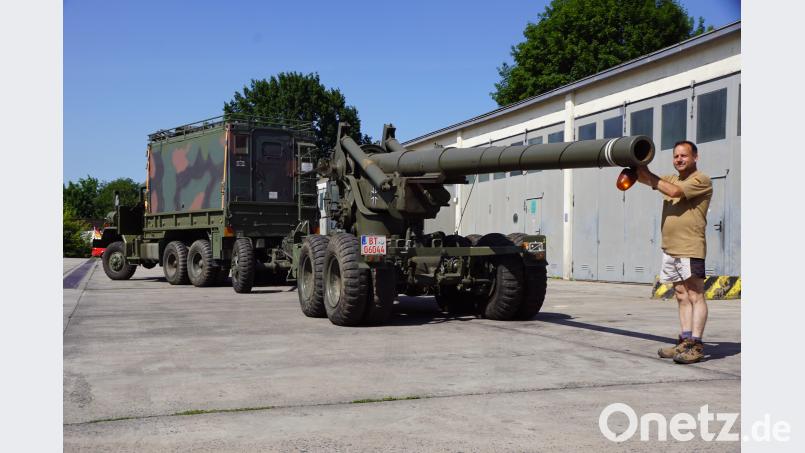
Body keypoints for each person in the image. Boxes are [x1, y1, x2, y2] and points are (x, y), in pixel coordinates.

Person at [637, 140, 713, 364]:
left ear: (695, 157)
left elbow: (674, 191)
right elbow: (647, 178)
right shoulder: (670, 178)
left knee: (694, 294)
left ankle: (697, 345)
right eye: (676, 156)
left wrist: (649, 177)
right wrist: (635, 164)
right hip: (669, 248)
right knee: (681, 295)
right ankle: (685, 340)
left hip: (690, 247)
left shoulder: (700, 180)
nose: (679, 160)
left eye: (684, 156)